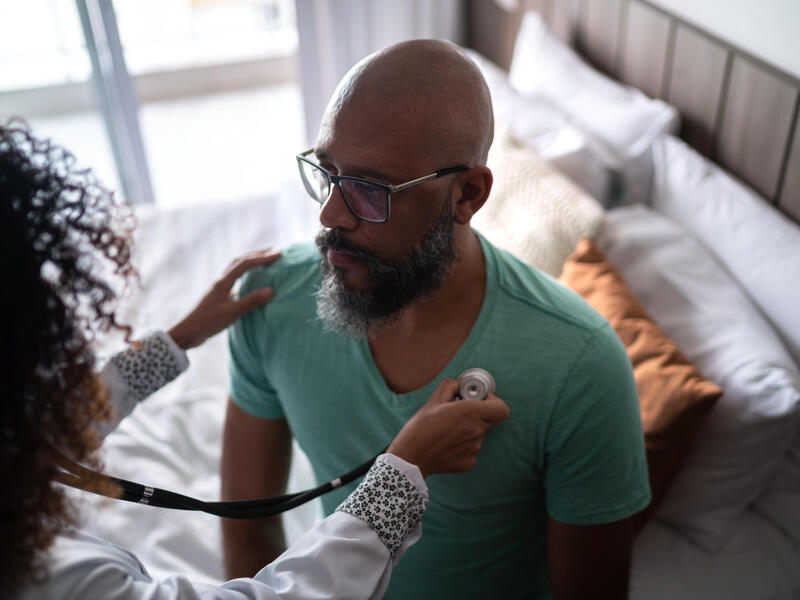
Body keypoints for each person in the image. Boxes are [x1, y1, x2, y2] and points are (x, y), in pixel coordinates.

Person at [0, 120, 510, 600]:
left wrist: (178, 339)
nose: (328, 214)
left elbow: (40, 433)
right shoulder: (56, 577)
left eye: (368, 187)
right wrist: (401, 478)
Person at [222, 39, 651, 599]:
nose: (329, 214)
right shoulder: (268, 298)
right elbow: (248, 530)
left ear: (467, 195)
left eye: (370, 191)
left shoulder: (581, 365)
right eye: (327, 173)